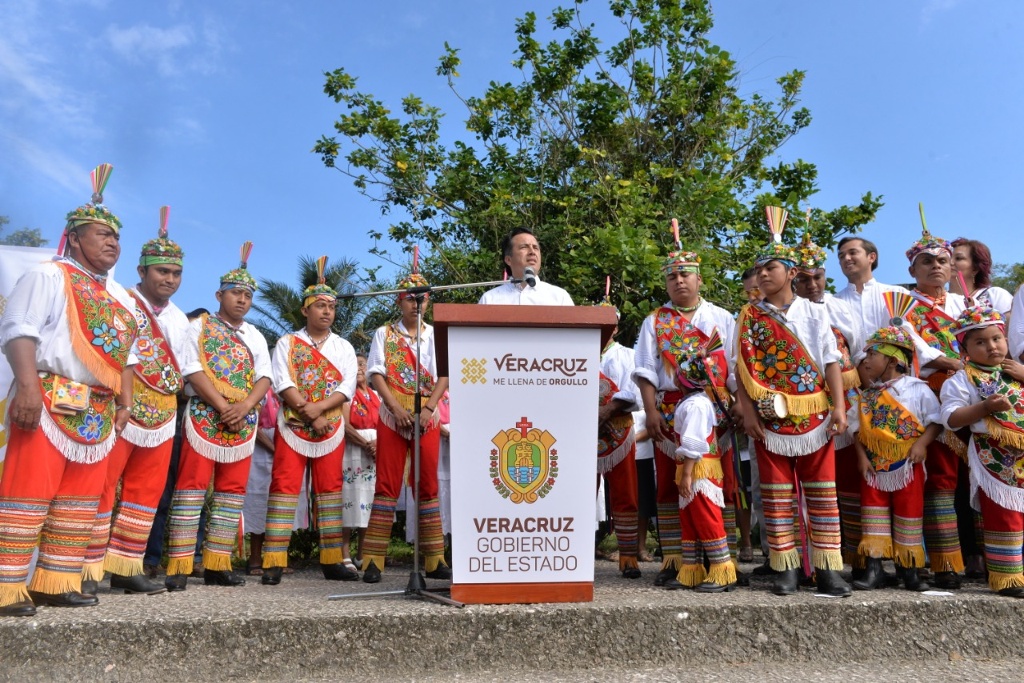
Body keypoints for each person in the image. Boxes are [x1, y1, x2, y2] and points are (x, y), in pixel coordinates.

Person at [0, 164, 138, 616]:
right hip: (48, 397)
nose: (111, 242)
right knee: (27, 491)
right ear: (74, 237)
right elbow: (19, 331)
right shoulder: (49, 275)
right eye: (101, 234)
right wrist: (26, 388)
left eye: (115, 236)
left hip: (97, 409)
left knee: (79, 498)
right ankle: (5, 586)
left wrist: (125, 402)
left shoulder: (118, 299)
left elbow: (126, 358)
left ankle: (55, 580)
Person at [732, 208, 850, 597]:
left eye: (771, 268)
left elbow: (830, 361)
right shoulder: (748, 317)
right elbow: (743, 368)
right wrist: (748, 411)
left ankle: (828, 567)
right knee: (777, 492)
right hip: (770, 414)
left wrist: (839, 407)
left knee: (821, 490)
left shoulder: (815, 312)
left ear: (791, 272)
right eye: (759, 270)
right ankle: (786, 566)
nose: (763, 275)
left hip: (814, 411)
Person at [80, 206, 191, 596]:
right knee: (103, 484)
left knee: (147, 489)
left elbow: (187, 370)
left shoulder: (180, 319)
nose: (170, 279)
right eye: (162, 271)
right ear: (142, 271)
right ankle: (87, 568)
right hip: (122, 404)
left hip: (163, 410)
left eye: (176, 273)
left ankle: (128, 565)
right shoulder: (119, 299)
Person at [163, 243, 272, 591]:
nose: (242, 300)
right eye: (235, 293)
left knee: (231, 491)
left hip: (243, 420)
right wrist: (223, 407)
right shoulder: (199, 327)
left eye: (247, 295)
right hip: (206, 415)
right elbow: (192, 370)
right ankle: (179, 563)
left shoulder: (254, 334)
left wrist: (243, 407)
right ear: (219, 295)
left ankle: (217, 563)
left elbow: (265, 377)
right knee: (191, 486)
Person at [632, 238, 735, 586]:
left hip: (713, 408)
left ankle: (721, 559)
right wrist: (650, 412)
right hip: (668, 408)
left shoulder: (721, 317)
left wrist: (736, 410)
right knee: (671, 486)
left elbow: (733, 370)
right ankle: (678, 559)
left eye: (686, 274)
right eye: (673, 276)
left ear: (699, 279)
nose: (679, 281)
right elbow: (646, 370)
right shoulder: (655, 321)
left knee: (712, 483)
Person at [262, 257, 358, 585]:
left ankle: (332, 559)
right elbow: (282, 381)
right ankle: (273, 559)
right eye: (320, 305)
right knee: (284, 487)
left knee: (330, 490)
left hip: (329, 427)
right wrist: (307, 410)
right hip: (293, 424)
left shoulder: (343, 347)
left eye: (331, 306)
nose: (327, 311)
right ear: (305, 310)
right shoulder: (288, 343)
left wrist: (320, 411)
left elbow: (347, 385)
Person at [361, 268, 451, 583]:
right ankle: (373, 559)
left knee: (428, 485)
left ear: (427, 301)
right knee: (386, 485)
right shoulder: (384, 334)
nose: (416, 304)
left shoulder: (437, 334)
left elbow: (444, 375)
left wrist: (429, 408)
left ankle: (434, 559)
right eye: (410, 299)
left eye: (421, 299)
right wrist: (395, 407)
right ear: (400, 302)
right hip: (392, 414)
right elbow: (376, 373)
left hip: (427, 413)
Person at [940, 306, 1024, 597]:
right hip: (994, 455)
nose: (992, 346)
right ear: (964, 349)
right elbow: (951, 418)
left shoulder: (1016, 372)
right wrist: (985, 407)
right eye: (980, 342)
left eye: (997, 339)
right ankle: (1009, 578)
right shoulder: (962, 380)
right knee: (1004, 513)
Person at [793, 234, 864, 575]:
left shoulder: (840, 308)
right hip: (801, 405)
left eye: (817, 277)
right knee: (804, 486)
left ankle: (852, 556)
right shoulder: (787, 312)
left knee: (845, 481)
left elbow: (859, 351)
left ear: (826, 276)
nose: (811, 284)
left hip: (842, 403)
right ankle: (803, 561)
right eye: (803, 279)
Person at [850, 325, 941, 591]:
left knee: (909, 515)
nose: (865, 360)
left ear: (892, 359)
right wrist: (861, 458)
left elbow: (935, 421)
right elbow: (857, 431)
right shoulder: (867, 396)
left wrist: (922, 444)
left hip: (907, 465)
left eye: (872, 354)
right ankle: (875, 569)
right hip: (874, 466)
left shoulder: (918, 390)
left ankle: (910, 570)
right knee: (873, 516)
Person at [903, 226, 969, 589]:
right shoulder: (905, 307)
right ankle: (946, 563)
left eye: (942, 261)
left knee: (985, 479)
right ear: (913, 270)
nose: (935, 267)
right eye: (926, 262)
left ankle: (989, 560)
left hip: (977, 394)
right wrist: (951, 363)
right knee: (942, 481)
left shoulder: (966, 304)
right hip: (935, 396)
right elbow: (916, 350)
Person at [664, 341, 737, 592]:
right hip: (693, 468)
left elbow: (693, 442)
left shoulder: (696, 405)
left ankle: (722, 571)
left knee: (706, 518)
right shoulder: (694, 402)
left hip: (698, 469)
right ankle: (692, 570)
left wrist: (686, 474)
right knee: (691, 520)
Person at [143, 307, 209, 578]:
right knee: (161, 494)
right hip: (171, 424)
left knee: (197, 494)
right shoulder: (176, 345)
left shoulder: (214, 351)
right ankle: (150, 558)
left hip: (203, 427)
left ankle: (191, 558)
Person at [597, 302, 642, 579]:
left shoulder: (628, 355)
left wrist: (608, 409)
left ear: (615, 326)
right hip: (583, 432)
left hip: (618, 430)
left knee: (625, 494)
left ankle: (628, 556)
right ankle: (573, 554)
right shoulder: (576, 354)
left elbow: (633, 390)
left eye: (608, 323)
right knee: (579, 493)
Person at [341, 355, 379, 571]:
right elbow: (344, 426)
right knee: (350, 498)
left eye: (363, 363)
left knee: (370, 500)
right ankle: (344, 551)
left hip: (375, 452)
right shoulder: (346, 395)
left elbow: (385, 422)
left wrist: (378, 443)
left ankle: (363, 552)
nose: (359, 367)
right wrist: (366, 444)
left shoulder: (376, 395)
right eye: (354, 364)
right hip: (353, 451)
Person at [478, 228, 574, 305]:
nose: (532, 252)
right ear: (508, 260)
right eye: (524, 247)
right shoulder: (489, 300)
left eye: (535, 248)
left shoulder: (559, 297)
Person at [242, 392, 280, 575]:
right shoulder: (259, 387)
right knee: (258, 501)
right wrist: (275, 449)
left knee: (281, 501)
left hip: (286, 446)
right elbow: (252, 423)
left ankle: (277, 556)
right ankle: (255, 557)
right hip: (260, 450)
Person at [949, 238, 1013, 316]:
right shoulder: (936, 303)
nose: (950, 262)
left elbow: (1011, 326)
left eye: (958, 258)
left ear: (976, 268)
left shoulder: (995, 295)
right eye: (945, 259)